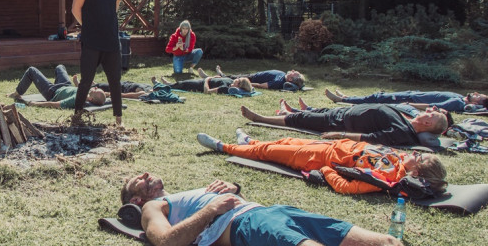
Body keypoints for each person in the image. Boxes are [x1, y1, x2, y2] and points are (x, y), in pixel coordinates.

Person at [121, 172, 402, 246]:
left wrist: (233, 189)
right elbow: (166, 241)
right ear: (136, 200)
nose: (146, 175)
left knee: (387, 241)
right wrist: (212, 210)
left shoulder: (179, 198)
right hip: (247, 226)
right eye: (139, 179)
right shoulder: (151, 209)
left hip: (272, 211)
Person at [196, 127, 448, 195]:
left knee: (268, 153)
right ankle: (249, 140)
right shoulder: (401, 160)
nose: (414, 154)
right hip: (330, 146)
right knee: (284, 142)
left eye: (419, 157)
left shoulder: (389, 179)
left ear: (418, 173)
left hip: (322, 158)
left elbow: (348, 187)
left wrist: (328, 171)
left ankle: (222, 146)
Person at [72, 0, 125, 126]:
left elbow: (114, 8)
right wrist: (89, 28)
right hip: (91, 41)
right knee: (86, 80)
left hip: (111, 41)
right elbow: (75, 9)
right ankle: (77, 117)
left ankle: (118, 119)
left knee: (115, 81)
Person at [241, 102, 450, 146]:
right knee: (316, 111)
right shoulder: (407, 122)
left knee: (301, 120)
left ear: (428, 122)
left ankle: (260, 118)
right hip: (343, 113)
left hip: (340, 122)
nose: (428, 110)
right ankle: (287, 112)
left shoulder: (403, 133)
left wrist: (339, 135)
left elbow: (371, 138)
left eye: (431, 113)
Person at [7, 65, 106, 109]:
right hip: (66, 85)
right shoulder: (89, 93)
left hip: (52, 92)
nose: (96, 87)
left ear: (92, 98)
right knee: (60, 67)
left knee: (31, 71)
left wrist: (35, 104)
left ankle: (16, 94)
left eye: (96, 90)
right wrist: (76, 83)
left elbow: (57, 104)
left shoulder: (77, 99)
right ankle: (54, 83)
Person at [325, 89, 488, 113]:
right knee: (379, 96)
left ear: (477, 103)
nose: (475, 93)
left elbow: (433, 106)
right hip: (412, 94)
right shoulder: (460, 97)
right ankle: (347, 98)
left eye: (478, 96)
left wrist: (410, 105)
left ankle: (342, 99)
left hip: (409, 99)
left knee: (378, 97)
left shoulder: (458, 103)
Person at [200, 65, 305, 91]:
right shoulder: (283, 76)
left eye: (293, 73)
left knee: (231, 79)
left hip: (252, 79)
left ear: (290, 79)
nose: (292, 70)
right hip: (254, 75)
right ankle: (219, 75)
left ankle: (209, 78)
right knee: (232, 76)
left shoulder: (278, 82)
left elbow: (262, 86)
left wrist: (247, 83)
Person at [154, 75, 254, 94]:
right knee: (181, 83)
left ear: (239, 85)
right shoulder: (230, 83)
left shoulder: (225, 89)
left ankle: (159, 85)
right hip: (205, 80)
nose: (236, 79)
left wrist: (207, 79)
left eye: (238, 80)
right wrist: (215, 77)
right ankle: (168, 84)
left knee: (182, 84)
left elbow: (207, 91)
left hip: (201, 85)